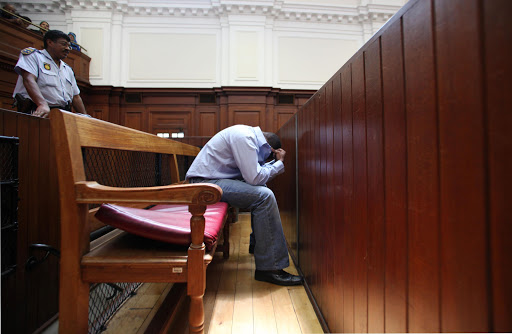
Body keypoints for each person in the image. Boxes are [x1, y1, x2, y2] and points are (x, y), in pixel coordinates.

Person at [186, 125, 303, 286]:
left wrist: (274, 164)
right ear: (269, 149)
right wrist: (279, 163)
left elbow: (256, 173)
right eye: (268, 157)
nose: (264, 160)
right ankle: (270, 269)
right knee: (264, 196)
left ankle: (258, 246)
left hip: (211, 180)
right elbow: (255, 177)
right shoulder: (245, 138)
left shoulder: (248, 136)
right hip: (203, 184)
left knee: (263, 191)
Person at [12, 29, 88, 118]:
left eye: (69, 46)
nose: (68, 48)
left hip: (62, 114)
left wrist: (85, 117)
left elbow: (75, 97)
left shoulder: (67, 69)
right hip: (39, 112)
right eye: (64, 44)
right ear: (50, 42)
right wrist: (42, 104)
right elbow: (29, 80)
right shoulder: (34, 56)